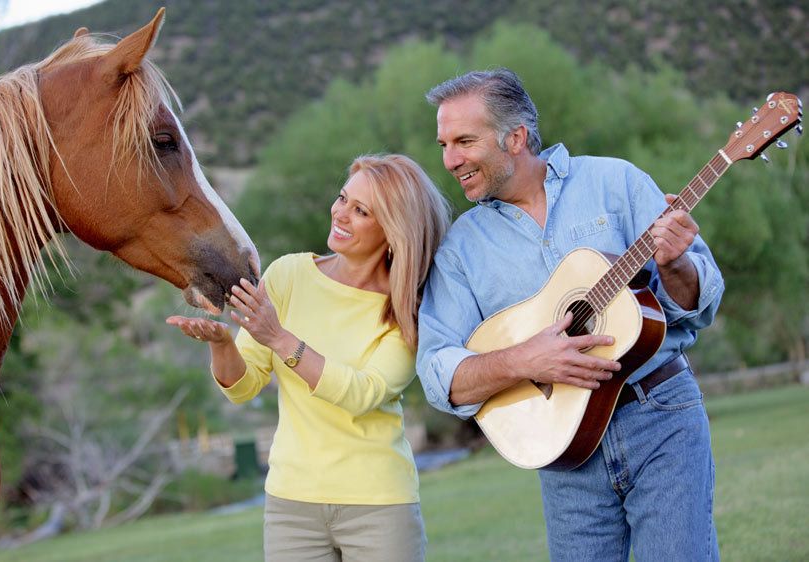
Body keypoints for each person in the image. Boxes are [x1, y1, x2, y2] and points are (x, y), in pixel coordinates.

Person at [415, 69, 724, 561]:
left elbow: (698, 306)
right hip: (565, 453)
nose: (450, 160)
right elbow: (438, 375)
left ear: (515, 138)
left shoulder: (615, 182)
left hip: (660, 415)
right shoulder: (461, 250)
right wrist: (523, 361)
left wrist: (676, 265)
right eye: (444, 144)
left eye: (464, 141)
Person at [168, 154, 451, 562]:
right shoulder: (288, 276)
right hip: (291, 505)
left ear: (394, 230)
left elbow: (362, 392)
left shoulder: (406, 309)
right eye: (342, 198)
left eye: (361, 211)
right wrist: (222, 345)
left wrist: (280, 338)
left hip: (379, 505)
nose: (340, 213)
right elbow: (243, 388)